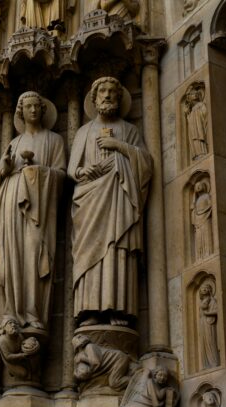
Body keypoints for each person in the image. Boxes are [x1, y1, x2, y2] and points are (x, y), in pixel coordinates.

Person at [68, 76, 152, 327]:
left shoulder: (129, 130)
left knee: (117, 248)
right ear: (94, 100)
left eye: (112, 92)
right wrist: (83, 172)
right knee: (90, 252)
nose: (107, 95)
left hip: (119, 200)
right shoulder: (84, 132)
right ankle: (90, 309)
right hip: (89, 201)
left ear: (119, 97)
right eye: (102, 91)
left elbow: (146, 164)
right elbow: (72, 169)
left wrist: (118, 147)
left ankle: (119, 308)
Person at [0, 91, 66, 330]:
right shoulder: (13, 144)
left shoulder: (54, 140)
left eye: (37, 106)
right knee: (11, 256)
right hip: (11, 203)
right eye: (28, 107)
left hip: (39, 208)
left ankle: (34, 313)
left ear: (43, 110)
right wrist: (4, 171)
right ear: (20, 112)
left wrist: (38, 172)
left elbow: (62, 176)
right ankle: (11, 313)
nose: (33, 110)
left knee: (35, 252)